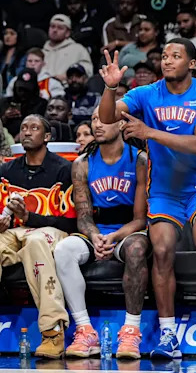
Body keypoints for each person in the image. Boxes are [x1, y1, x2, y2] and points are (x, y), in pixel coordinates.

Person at [99, 39, 196, 359]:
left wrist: (148, 133)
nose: (167, 60)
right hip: (164, 190)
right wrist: (110, 89)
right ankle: (168, 333)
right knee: (160, 249)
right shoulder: (147, 93)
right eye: (164, 55)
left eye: (176, 56)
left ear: (191, 63)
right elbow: (107, 118)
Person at [0, 115, 74, 359]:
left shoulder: (63, 169)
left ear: (47, 137)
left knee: (35, 241)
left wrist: (30, 217)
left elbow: (70, 221)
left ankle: (52, 331)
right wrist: (0, 222)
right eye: (23, 128)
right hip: (16, 231)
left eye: (34, 128)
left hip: (52, 231)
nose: (26, 132)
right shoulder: (6, 170)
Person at [54, 108, 150, 359]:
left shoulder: (139, 159)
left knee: (137, 248)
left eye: (104, 119)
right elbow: (83, 216)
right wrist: (96, 237)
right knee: (63, 249)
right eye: (94, 119)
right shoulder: (82, 164)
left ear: (120, 125)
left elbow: (140, 219)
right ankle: (85, 329)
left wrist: (114, 237)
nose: (97, 124)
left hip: (127, 230)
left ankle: (131, 331)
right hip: (96, 231)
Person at [42, 15, 92, 81]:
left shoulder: (78, 49)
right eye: (52, 26)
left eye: (60, 28)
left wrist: (69, 75)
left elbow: (88, 70)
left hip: (69, 88)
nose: (55, 30)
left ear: (68, 33)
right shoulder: (41, 52)